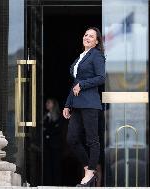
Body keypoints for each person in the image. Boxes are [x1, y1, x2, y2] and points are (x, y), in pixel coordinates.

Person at [63, 27, 105, 187]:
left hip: (90, 104)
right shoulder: (81, 57)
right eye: (86, 34)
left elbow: (101, 78)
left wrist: (83, 84)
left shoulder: (97, 56)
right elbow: (75, 83)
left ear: (96, 41)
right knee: (72, 139)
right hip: (77, 104)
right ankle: (90, 169)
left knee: (92, 140)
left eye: (91, 36)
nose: (87, 37)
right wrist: (68, 104)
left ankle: (89, 173)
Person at [43, 98, 63, 186]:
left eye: (49, 102)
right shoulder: (45, 116)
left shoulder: (58, 116)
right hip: (46, 146)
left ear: (54, 105)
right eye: (46, 102)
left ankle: (56, 185)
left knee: (56, 166)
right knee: (47, 166)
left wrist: (47, 131)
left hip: (55, 146)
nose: (46, 104)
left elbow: (57, 129)